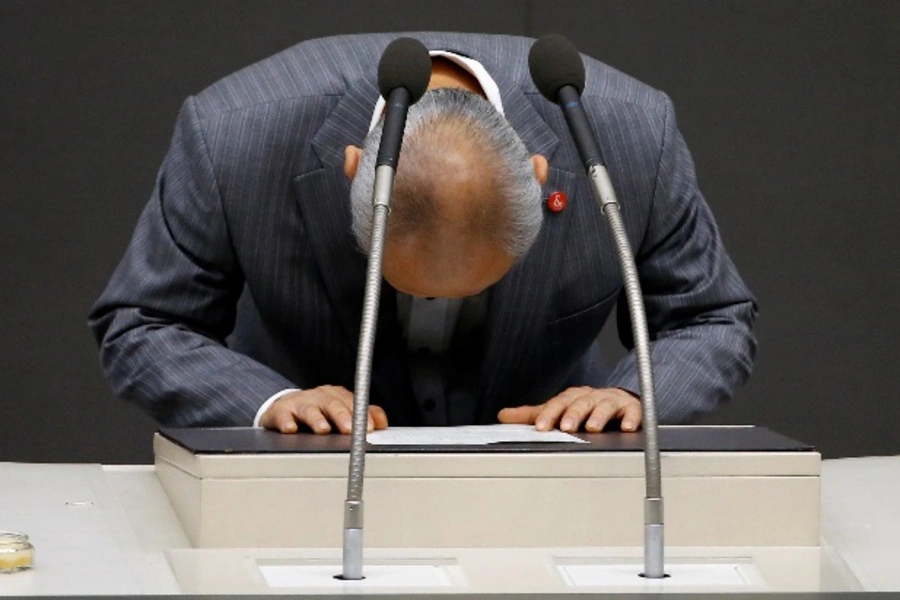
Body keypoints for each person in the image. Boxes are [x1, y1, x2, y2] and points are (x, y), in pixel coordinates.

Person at [88, 32, 757, 436]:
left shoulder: (629, 138)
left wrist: (633, 395)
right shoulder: (234, 133)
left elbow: (714, 319)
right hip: (306, 486)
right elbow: (143, 322)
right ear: (354, 171)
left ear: (537, 173)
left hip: (542, 492)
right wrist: (268, 403)